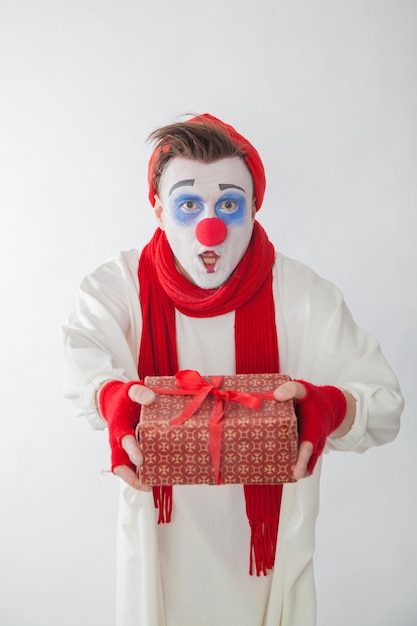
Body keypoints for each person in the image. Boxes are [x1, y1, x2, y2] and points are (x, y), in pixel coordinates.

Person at [62, 113, 404, 626]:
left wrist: (331, 406)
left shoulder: (303, 295)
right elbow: (85, 363)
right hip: (161, 545)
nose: (211, 227)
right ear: (157, 209)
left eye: (228, 204)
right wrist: (110, 398)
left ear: (252, 208)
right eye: (188, 205)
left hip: (266, 556)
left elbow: (383, 403)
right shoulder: (116, 288)